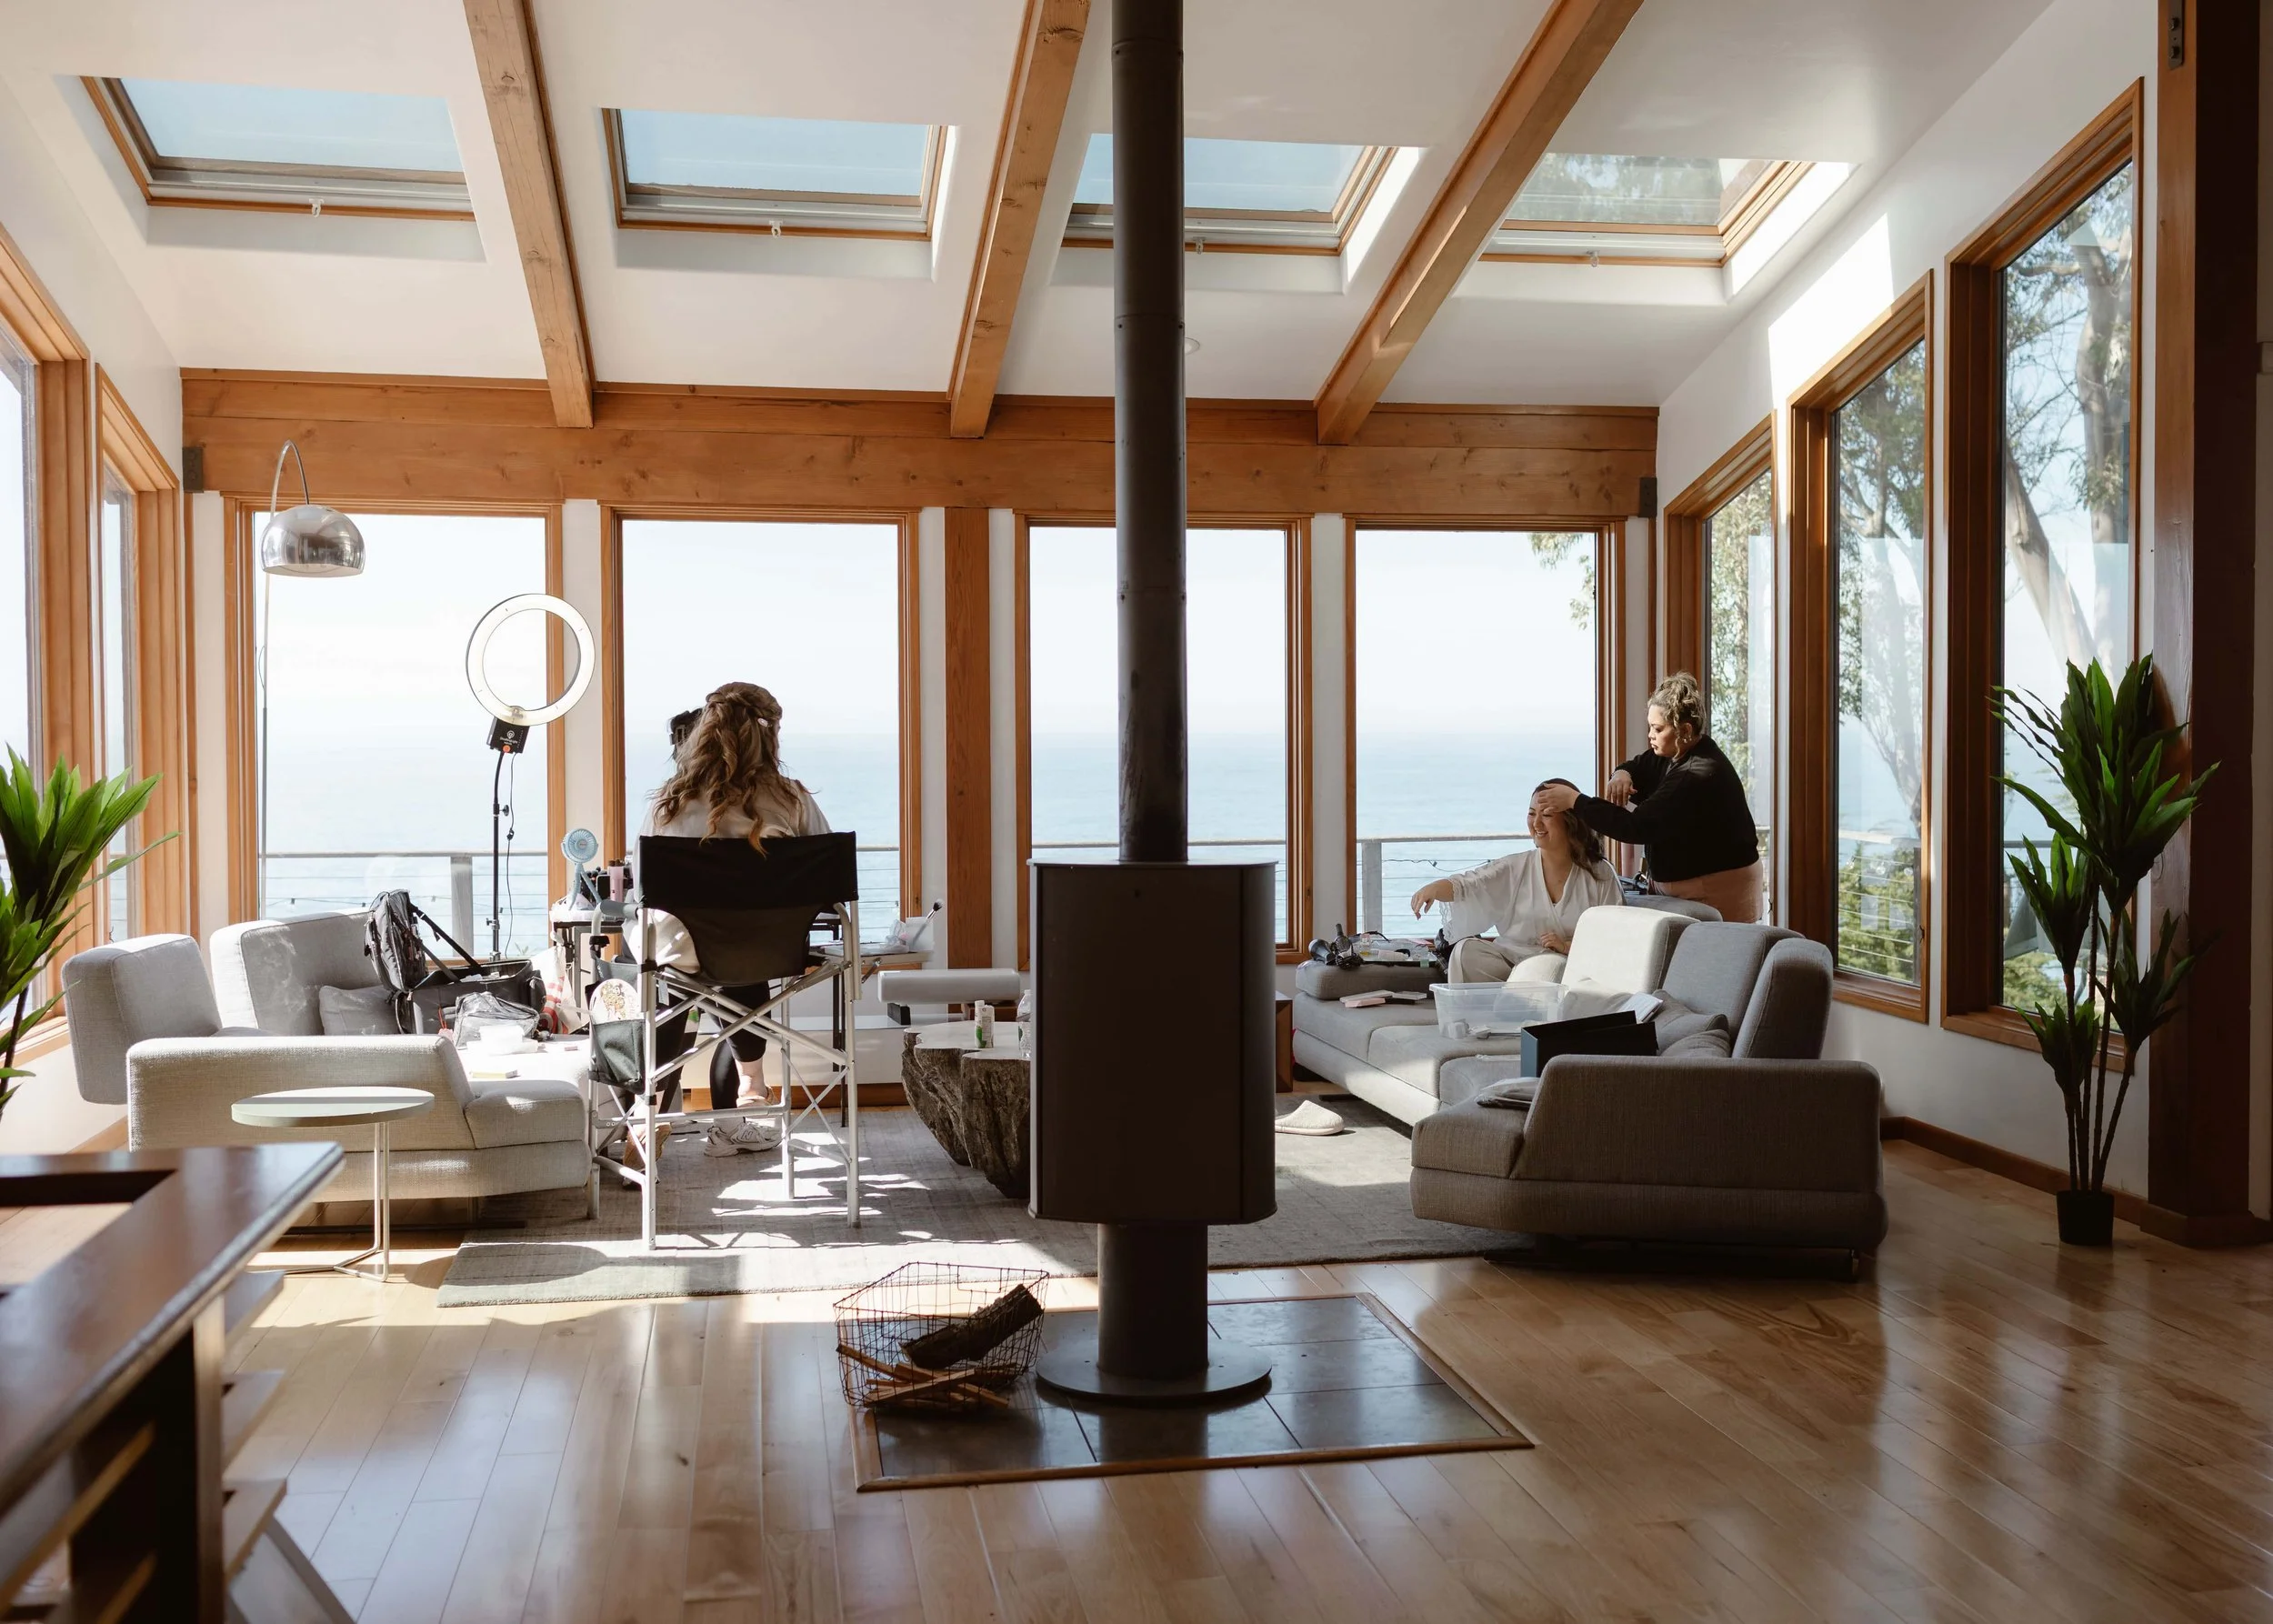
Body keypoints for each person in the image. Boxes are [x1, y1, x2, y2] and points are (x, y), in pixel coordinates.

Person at [635, 682, 833, 1158]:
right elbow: (826, 878)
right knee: (743, 955)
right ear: (770, 736)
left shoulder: (669, 802)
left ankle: (651, 1107)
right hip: (764, 951)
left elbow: (643, 884)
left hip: (680, 953)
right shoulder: (790, 799)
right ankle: (750, 1090)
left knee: (666, 973)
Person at [1537, 672, 1763, 923]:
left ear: (1685, 730)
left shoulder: (1696, 774)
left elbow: (1636, 826)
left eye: (1658, 729)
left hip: (1717, 890)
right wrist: (1621, 773)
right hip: (1685, 891)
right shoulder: (1673, 753)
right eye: (1650, 727)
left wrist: (1575, 801)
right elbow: (1638, 765)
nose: (1650, 735)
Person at [1411, 778, 1624, 981]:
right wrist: (1435, 888)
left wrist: (1567, 947)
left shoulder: (1600, 874)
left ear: (1571, 822)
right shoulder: (1516, 867)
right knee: (1466, 952)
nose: (1537, 823)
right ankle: (1506, 1003)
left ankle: (1513, 1004)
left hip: (1567, 974)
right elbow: (1474, 883)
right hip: (1510, 967)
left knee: (1547, 968)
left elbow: (1614, 937)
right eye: (1532, 814)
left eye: (1547, 815)